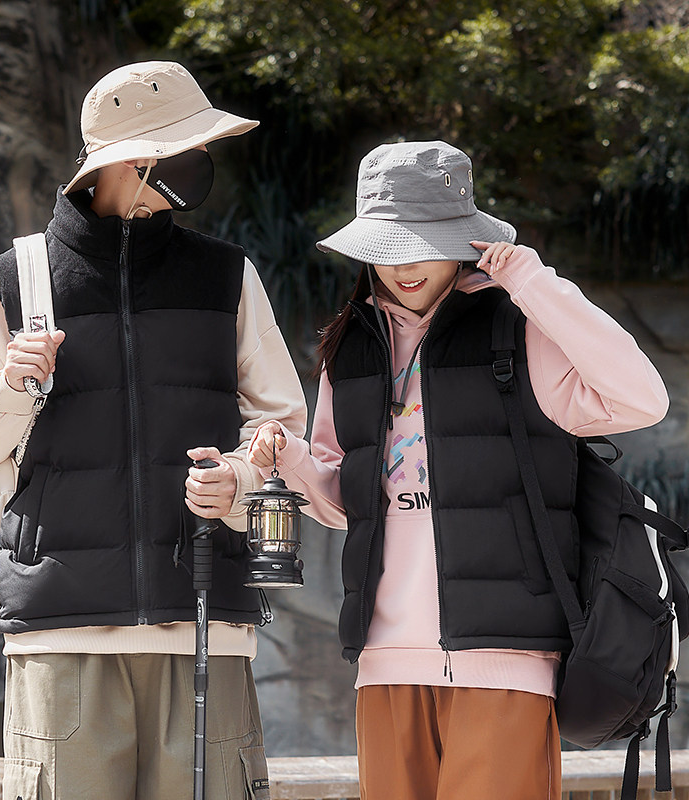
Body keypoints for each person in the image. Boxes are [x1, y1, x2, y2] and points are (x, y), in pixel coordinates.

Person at [248, 140, 669, 800]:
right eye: (388, 247)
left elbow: (641, 398)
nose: (403, 264)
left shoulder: (516, 325)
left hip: (505, 658)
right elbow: (342, 503)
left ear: (463, 238)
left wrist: (533, 283)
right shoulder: (351, 346)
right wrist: (292, 459)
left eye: (423, 243)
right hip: (384, 660)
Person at [0, 61, 306, 800]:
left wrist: (239, 479)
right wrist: (11, 386)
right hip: (60, 628)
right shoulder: (17, 278)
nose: (202, 163)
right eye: (189, 150)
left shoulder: (227, 276)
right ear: (135, 162)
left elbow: (283, 425)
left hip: (204, 619)